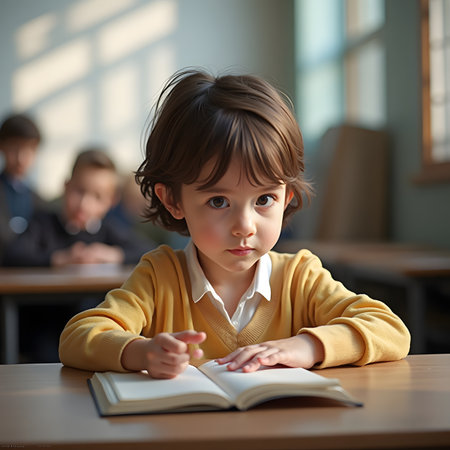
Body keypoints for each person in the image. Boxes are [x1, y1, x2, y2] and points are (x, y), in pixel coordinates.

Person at [59, 69, 410, 377]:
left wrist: (308, 347)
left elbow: (390, 329)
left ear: (286, 199)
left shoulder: (300, 278)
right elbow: (78, 336)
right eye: (218, 201)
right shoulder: (159, 278)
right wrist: (140, 353)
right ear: (174, 200)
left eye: (264, 200)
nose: (245, 225)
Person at [3, 148, 154, 266]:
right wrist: (59, 259)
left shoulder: (108, 230)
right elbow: (12, 255)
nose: (84, 204)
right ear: (66, 186)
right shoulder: (42, 223)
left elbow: (148, 250)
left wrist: (113, 254)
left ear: (111, 201)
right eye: (79, 191)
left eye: (97, 197)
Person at [0, 113, 46, 262]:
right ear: (2, 147)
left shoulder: (38, 199)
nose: (21, 158)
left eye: (29, 149)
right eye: (14, 148)